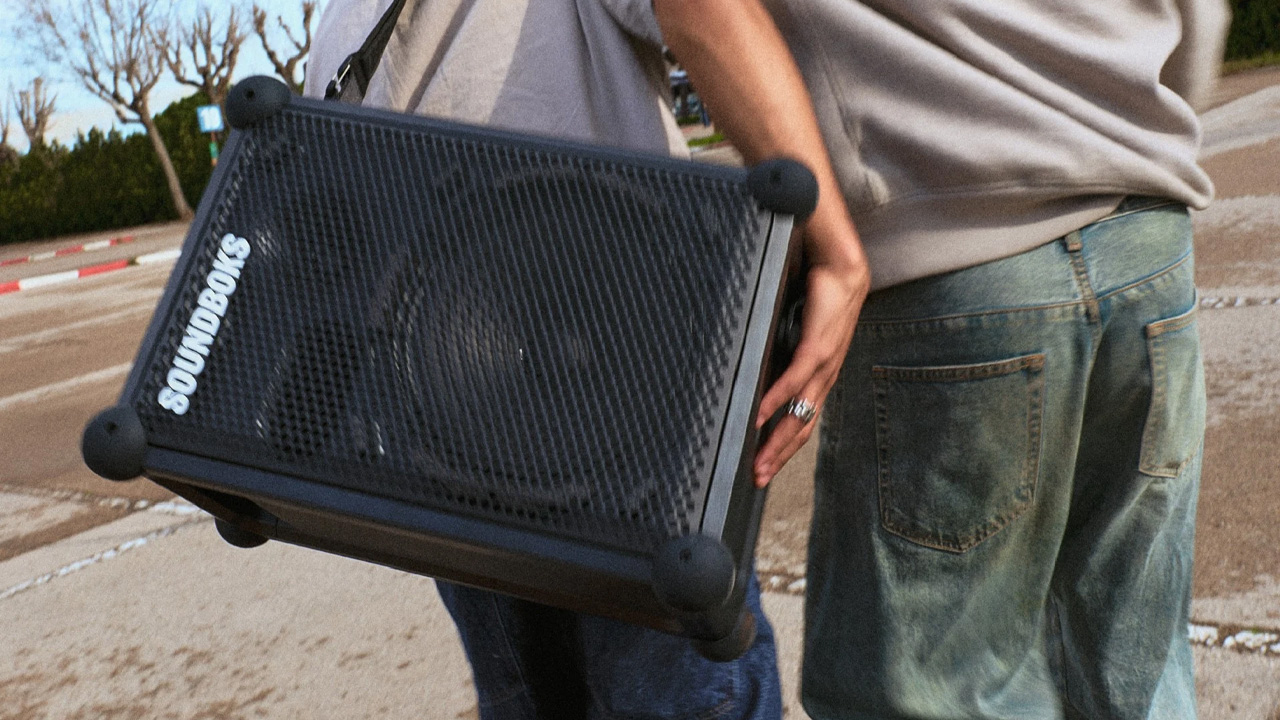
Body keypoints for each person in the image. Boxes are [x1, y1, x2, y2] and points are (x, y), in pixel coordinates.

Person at [653, 0, 1229, 718]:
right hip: (1146, 243)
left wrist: (830, 244)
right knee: (1134, 670)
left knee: (933, 690)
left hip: (951, 263)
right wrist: (1136, 128)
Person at [303, 2, 869, 719]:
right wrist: (833, 246)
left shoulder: (338, 26)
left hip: (447, 438)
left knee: (530, 697)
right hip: (632, 424)